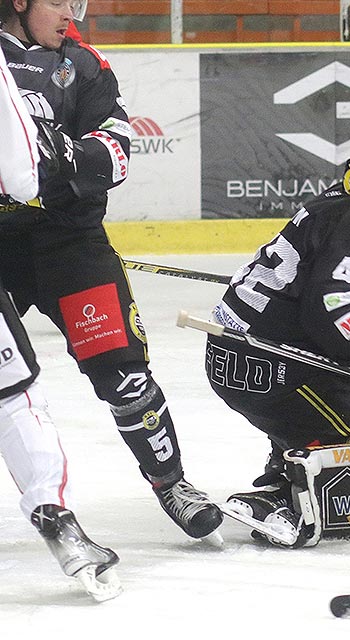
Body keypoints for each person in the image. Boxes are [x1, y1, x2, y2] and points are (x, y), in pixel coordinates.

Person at [0, 0, 223, 542]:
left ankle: (171, 482)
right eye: (58, 2)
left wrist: (63, 160)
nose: (69, 16)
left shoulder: (86, 65)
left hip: (69, 244)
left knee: (123, 372)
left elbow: (117, 151)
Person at [206, 128, 350, 544]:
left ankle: (287, 462)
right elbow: (338, 302)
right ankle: (282, 500)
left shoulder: (337, 204)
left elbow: (318, 294)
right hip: (270, 366)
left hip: (245, 355)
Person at [1, 42, 120, 601]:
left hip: (57, 243)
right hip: (38, 232)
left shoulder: (83, 64)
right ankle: (54, 517)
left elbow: (115, 146)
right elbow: (24, 179)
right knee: (15, 398)